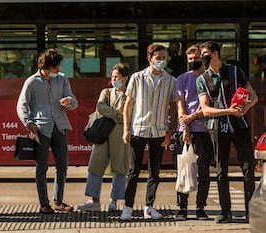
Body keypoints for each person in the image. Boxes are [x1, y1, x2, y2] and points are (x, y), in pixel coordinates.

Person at [196, 40, 258, 223]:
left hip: (240, 126)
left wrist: (245, 108)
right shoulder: (202, 79)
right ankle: (225, 211)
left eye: (205, 54)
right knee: (221, 170)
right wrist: (228, 111)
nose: (203, 58)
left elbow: (252, 95)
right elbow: (205, 110)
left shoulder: (235, 71)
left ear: (215, 54)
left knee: (248, 167)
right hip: (217, 128)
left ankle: (251, 211)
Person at [16, 48, 78, 214]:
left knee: (62, 166)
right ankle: (44, 203)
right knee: (41, 167)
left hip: (60, 126)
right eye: (56, 67)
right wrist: (29, 123)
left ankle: (58, 201)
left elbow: (74, 101)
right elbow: (21, 105)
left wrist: (69, 101)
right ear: (46, 67)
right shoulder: (31, 82)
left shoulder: (62, 79)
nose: (59, 70)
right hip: (41, 129)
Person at [121, 43, 177, 220]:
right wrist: (126, 129)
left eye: (163, 58)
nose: (161, 61)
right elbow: (128, 106)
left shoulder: (171, 81)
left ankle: (149, 207)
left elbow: (173, 107)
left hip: (159, 131)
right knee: (133, 171)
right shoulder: (137, 78)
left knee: (155, 171)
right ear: (149, 58)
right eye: (158, 58)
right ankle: (128, 207)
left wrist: (170, 131)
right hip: (139, 129)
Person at [77, 63, 130, 212]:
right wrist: (118, 114)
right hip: (103, 133)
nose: (113, 79)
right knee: (95, 165)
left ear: (125, 78)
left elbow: (129, 115)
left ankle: (115, 201)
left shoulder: (130, 94)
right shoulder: (106, 92)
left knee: (119, 167)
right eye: (112, 76)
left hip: (119, 134)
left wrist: (114, 114)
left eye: (117, 77)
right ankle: (94, 200)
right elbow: (100, 107)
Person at [173, 45, 214, 221]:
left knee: (203, 171)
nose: (193, 61)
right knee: (183, 169)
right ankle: (182, 208)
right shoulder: (181, 79)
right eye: (190, 59)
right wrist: (185, 128)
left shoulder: (210, 78)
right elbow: (180, 104)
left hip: (205, 129)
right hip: (186, 130)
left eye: (196, 58)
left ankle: (200, 207)